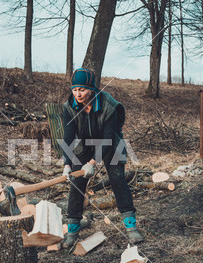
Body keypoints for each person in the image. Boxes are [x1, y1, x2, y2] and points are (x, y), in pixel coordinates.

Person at [61, 68, 144, 248]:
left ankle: (131, 227)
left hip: (110, 142)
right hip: (85, 144)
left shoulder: (109, 105)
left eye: (82, 89)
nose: (77, 94)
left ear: (91, 89)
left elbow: (107, 137)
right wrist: (67, 164)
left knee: (117, 179)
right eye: (74, 89)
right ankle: (73, 230)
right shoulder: (68, 107)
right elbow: (68, 138)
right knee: (77, 182)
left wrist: (92, 163)